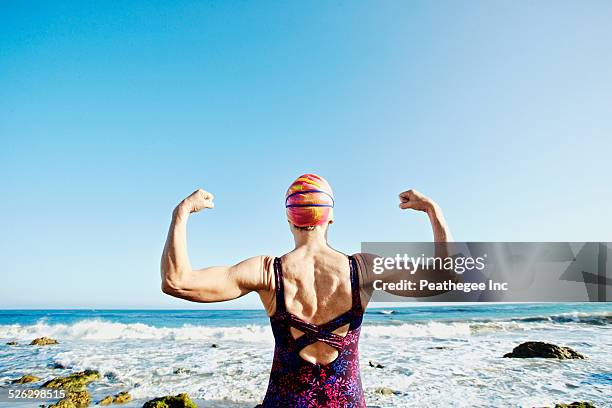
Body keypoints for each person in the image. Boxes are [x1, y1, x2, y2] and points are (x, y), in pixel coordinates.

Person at [160, 174, 452, 407]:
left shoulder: (267, 272)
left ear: (289, 219)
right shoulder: (362, 269)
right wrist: (431, 210)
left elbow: (176, 281)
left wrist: (181, 213)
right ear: (331, 218)